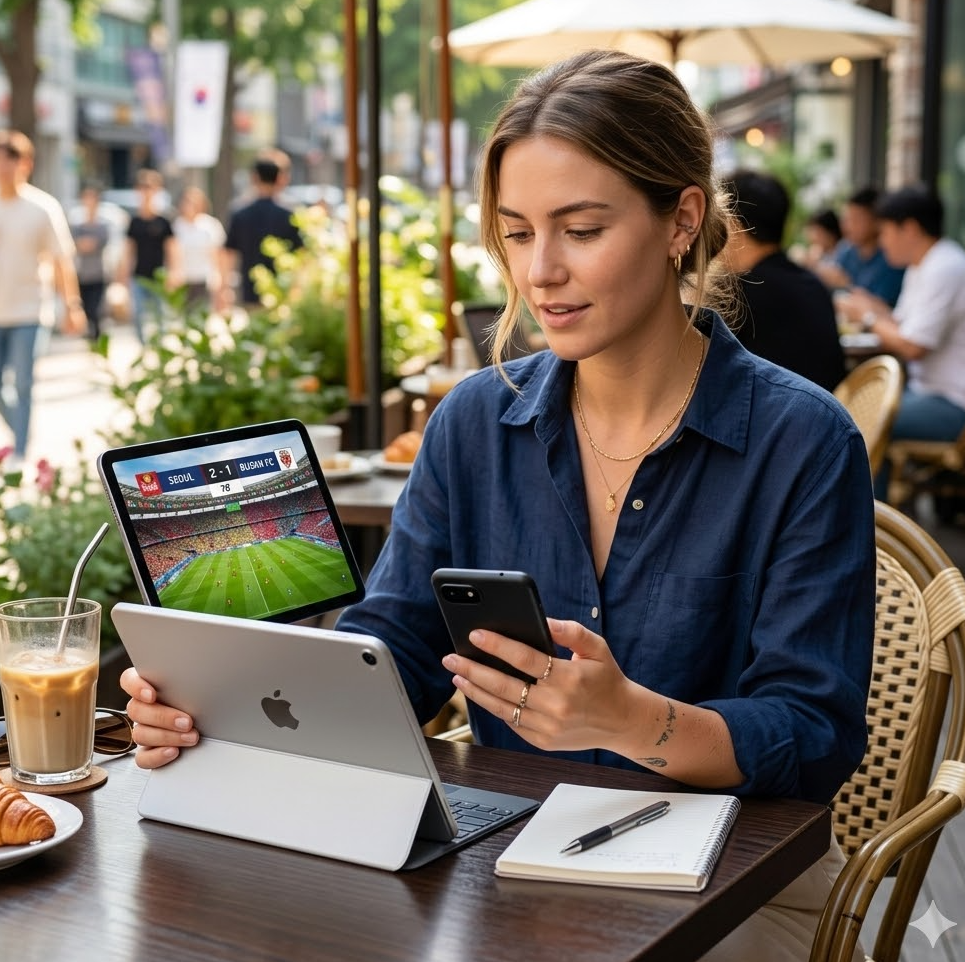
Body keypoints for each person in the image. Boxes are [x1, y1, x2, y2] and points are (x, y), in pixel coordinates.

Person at [121, 51, 874, 961]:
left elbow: (813, 731)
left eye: (581, 229)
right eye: (516, 233)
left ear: (680, 220)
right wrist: (230, 703)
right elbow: (397, 646)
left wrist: (636, 721)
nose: (541, 271)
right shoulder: (474, 423)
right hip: (506, 860)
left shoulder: (803, 441)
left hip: (728, 879)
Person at [837, 185, 965, 499]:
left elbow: (912, 345)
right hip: (925, 392)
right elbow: (902, 325)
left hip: (952, 403)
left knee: (856, 423)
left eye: (885, 232)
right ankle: (873, 524)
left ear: (909, 228)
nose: (882, 242)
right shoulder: (924, 264)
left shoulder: (945, 266)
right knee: (846, 413)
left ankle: (874, 529)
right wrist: (871, 307)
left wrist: (867, 318)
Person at [0, 129, 86, 466]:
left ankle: (20, 450)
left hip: (30, 311)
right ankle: (18, 434)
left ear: (26, 164)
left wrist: (72, 306)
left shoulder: (43, 207)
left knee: (23, 381)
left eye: (9, 162)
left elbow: (62, 262)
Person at [721, 169, 846, 392]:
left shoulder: (737, 294)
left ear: (733, 226)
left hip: (774, 422)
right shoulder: (811, 283)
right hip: (825, 417)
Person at [219, 148, 302, 310]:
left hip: (250, 290)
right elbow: (302, 254)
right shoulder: (290, 214)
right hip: (283, 291)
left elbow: (228, 254)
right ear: (279, 178)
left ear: (254, 178)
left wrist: (224, 288)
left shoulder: (240, 213)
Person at [815, 186, 905, 307]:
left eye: (856, 219)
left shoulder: (892, 258)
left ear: (877, 221)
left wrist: (846, 285)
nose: (848, 226)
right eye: (846, 219)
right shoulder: (846, 250)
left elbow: (882, 308)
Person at [117, 168, 176, 342]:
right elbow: (128, 251)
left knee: (161, 316)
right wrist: (121, 278)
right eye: (143, 188)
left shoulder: (164, 221)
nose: (146, 192)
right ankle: (144, 347)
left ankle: (161, 348)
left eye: (150, 187)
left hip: (159, 276)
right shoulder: (134, 222)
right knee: (139, 316)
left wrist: (173, 273)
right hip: (139, 276)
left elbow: (172, 250)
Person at [172, 186, 225, 311]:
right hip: (183, 279)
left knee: (202, 313)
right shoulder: (176, 226)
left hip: (204, 277)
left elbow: (217, 253)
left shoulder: (210, 225)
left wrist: (219, 278)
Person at [70, 182, 111, 340]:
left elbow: (97, 243)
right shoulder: (77, 225)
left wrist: (87, 244)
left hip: (99, 273)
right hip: (81, 273)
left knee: (97, 309)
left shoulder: (103, 225)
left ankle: (97, 336)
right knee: (85, 307)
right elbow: (75, 244)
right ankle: (90, 335)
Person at [799, 207, 842, 271]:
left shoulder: (844, 253)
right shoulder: (821, 255)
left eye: (817, 232)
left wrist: (814, 265)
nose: (813, 237)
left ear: (830, 232)